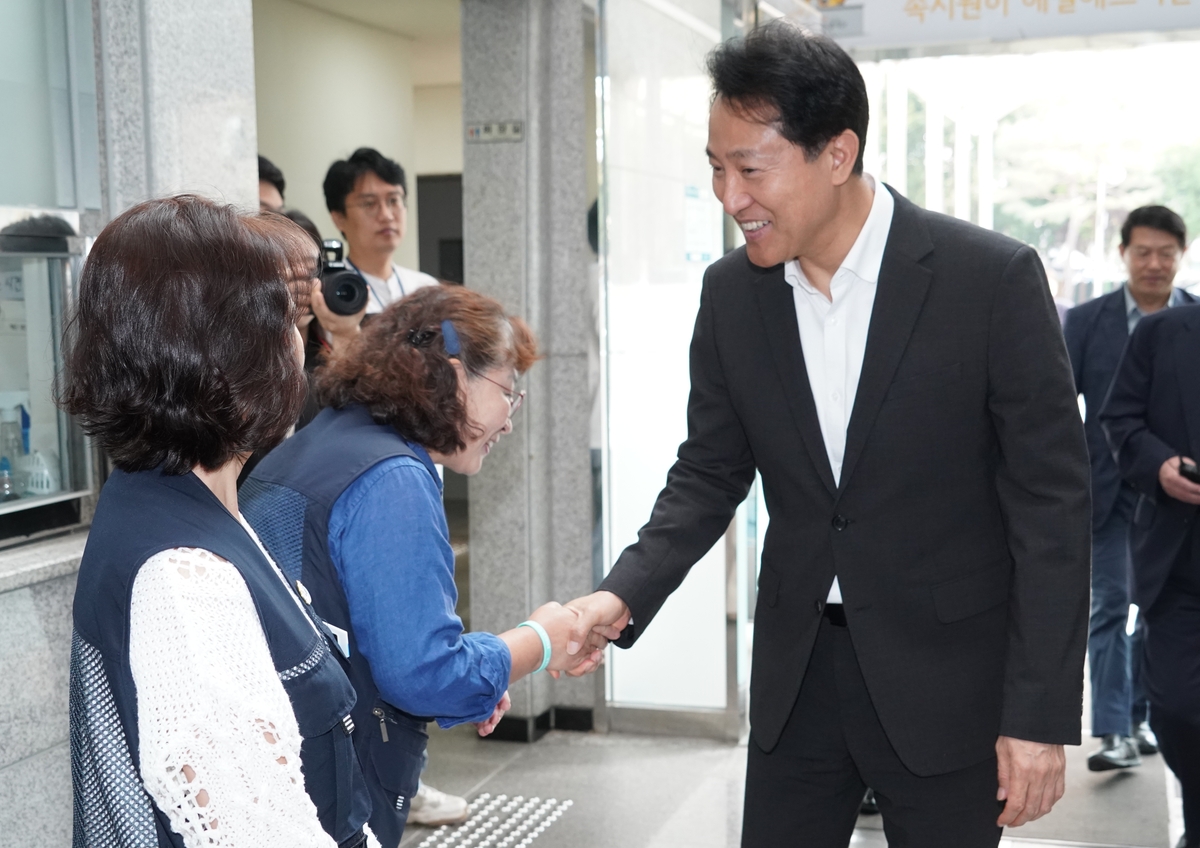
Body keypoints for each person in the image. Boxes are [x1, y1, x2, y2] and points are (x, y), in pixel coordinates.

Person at [567, 22, 1090, 848]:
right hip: (799, 676)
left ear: (837, 153)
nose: (728, 197)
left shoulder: (988, 280)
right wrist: (621, 593)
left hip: (948, 684)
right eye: (714, 166)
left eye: (749, 168)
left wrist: (1039, 715)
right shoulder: (733, 295)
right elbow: (708, 472)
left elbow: (1052, 510)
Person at [240, 285, 603, 848]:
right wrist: (539, 642)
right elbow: (424, 676)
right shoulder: (392, 479)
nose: (510, 420)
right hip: (329, 783)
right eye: (510, 392)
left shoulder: (324, 442)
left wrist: (480, 676)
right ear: (458, 377)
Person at [63, 195, 376, 848]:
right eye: (285, 318)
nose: (301, 339)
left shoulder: (186, 504)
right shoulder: (184, 577)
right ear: (234, 351)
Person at [1063, 205, 1194, 771]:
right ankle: (1115, 730)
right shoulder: (1089, 320)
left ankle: (1142, 713)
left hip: (1179, 505)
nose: (1154, 263)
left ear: (1180, 256)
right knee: (1111, 605)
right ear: (1123, 254)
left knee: (1158, 609)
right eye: (1143, 252)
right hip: (1109, 490)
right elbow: (1059, 404)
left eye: (1166, 253)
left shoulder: (1194, 321)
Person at [1101, 295, 1200, 848]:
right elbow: (1119, 418)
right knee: (1178, 709)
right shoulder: (1162, 334)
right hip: (1180, 560)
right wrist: (1158, 464)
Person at [323, 147, 438, 314]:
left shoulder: (426, 289)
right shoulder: (330, 291)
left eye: (393, 200)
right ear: (339, 218)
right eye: (369, 204)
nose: (386, 215)